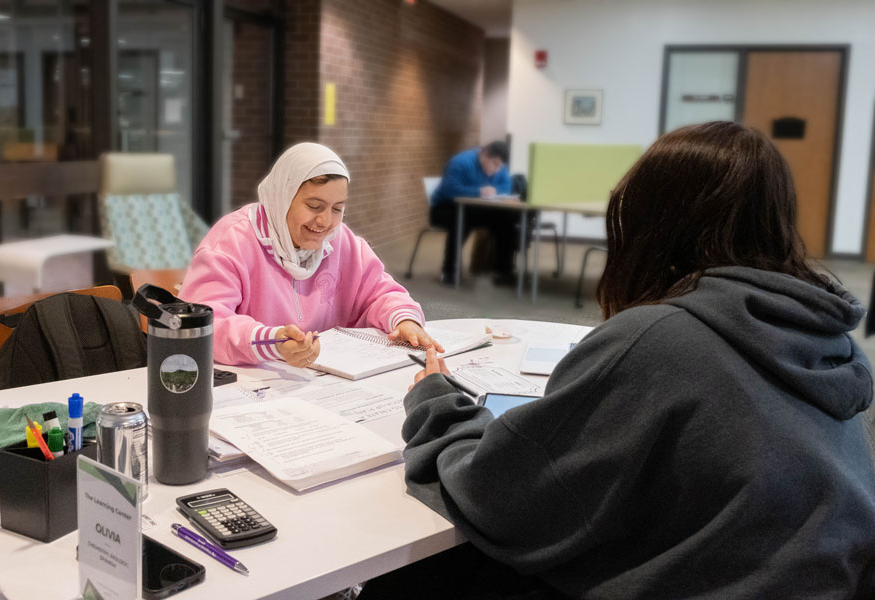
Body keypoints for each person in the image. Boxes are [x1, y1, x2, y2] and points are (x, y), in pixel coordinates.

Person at [362, 122, 875, 598]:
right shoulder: (827, 338)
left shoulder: (661, 338)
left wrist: (436, 403)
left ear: (655, 220)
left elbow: (500, 497)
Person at [179, 142, 443, 367]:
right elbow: (203, 323)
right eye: (314, 205)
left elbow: (381, 293)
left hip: (322, 382)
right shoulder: (232, 242)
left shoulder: (342, 241)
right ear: (282, 197)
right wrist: (271, 342)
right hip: (250, 382)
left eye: (337, 208)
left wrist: (405, 319)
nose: (325, 221)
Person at [430, 141, 519, 285]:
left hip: (477, 209)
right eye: (494, 164)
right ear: (484, 156)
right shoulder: (460, 162)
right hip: (445, 208)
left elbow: (506, 187)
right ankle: (448, 271)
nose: (497, 169)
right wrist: (478, 192)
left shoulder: (500, 167)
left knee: (506, 221)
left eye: (499, 166)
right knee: (462, 219)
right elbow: (449, 190)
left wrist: (495, 191)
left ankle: (503, 272)